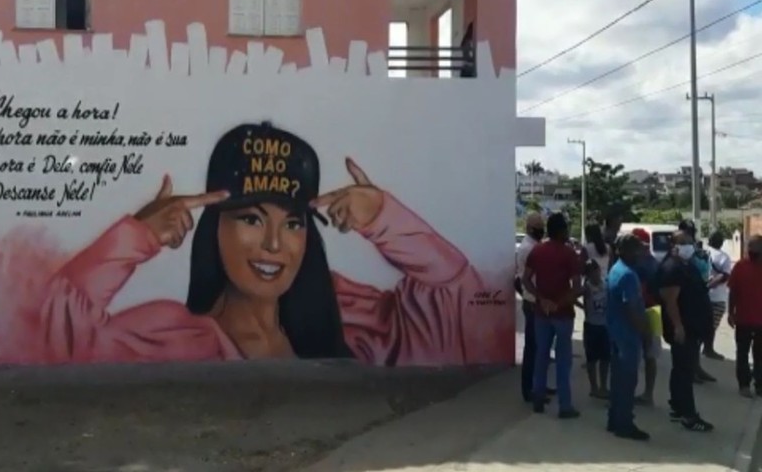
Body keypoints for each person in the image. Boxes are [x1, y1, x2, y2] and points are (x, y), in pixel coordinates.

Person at [38, 121, 503, 365]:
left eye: (295, 224)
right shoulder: (174, 337)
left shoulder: (349, 315)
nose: (275, 244)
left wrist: (383, 217)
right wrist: (135, 236)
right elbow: (56, 336)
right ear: (215, 228)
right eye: (251, 219)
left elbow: (457, 300)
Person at [523, 212, 583, 418]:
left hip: (542, 312)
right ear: (562, 231)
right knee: (563, 360)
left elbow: (526, 280)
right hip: (563, 313)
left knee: (541, 356)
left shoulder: (537, 251)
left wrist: (542, 299)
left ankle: (538, 399)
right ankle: (564, 406)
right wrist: (560, 303)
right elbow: (576, 287)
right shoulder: (569, 254)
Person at [657, 229, 714, 432]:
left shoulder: (683, 265)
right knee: (685, 371)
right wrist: (678, 326)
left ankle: (678, 407)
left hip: (691, 327)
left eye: (691, 242)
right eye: (686, 243)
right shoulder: (672, 268)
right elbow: (670, 300)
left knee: (680, 368)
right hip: (684, 329)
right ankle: (689, 415)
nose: (690, 246)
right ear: (675, 246)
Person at [606, 233, 652, 441]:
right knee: (627, 382)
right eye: (636, 249)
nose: (640, 253)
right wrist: (645, 331)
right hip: (627, 336)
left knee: (617, 380)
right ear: (625, 251)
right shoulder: (628, 275)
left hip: (616, 334)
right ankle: (624, 424)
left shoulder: (615, 270)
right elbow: (632, 308)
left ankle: (614, 419)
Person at [516, 212, 553, 403]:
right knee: (533, 349)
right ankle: (529, 389)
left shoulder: (534, 246)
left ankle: (538, 385)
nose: (541, 229)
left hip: (535, 301)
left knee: (540, 348)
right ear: (530, 228)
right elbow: (525, 279)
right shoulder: (528, 248)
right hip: (532, 301)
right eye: (539, 226)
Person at [677, 219, 718, 383]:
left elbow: (704, 267)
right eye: (687, 231)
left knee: (700, 334)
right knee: (689, 337)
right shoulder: (679, 249)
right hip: (687, 297)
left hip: (701, 291)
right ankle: (690, 370)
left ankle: (697, 367)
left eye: (691, 231)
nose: (690, 235)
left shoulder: (697, 248)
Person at [727, 236, 762, 398]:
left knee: (760, 354)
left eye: (755, 249)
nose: (752, 252)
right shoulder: (740, 267)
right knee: (742, 353)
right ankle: (744, 384)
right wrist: (730, 312)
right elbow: (733, 292)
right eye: (750, 248)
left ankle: (760, 384)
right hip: (743, 319)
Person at [631, 227, 661, 406]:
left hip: (643, 310)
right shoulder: (653, 262)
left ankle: (637, 392)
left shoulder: (638, 264)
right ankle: (648, 393)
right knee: (651, 355)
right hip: (655, 311)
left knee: (637, 354)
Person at [582, 260, 610, 399]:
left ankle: (604, 386)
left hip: (605, 325)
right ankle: (594, 387)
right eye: (592, 272)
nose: (595, 274)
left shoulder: (606, 284)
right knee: (591, 359)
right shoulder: (586, 287)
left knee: (605, 358)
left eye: (596, 270)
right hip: (591, 325)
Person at [703, 231, 733, 360]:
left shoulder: (702, 253)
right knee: (712, 326)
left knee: (702, 323)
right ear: (721, 243)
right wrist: (709, 286)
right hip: (717, 296)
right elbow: (725, 276)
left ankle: (703, 348)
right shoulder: (724, 257)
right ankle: (708, 349)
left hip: (701, 296)